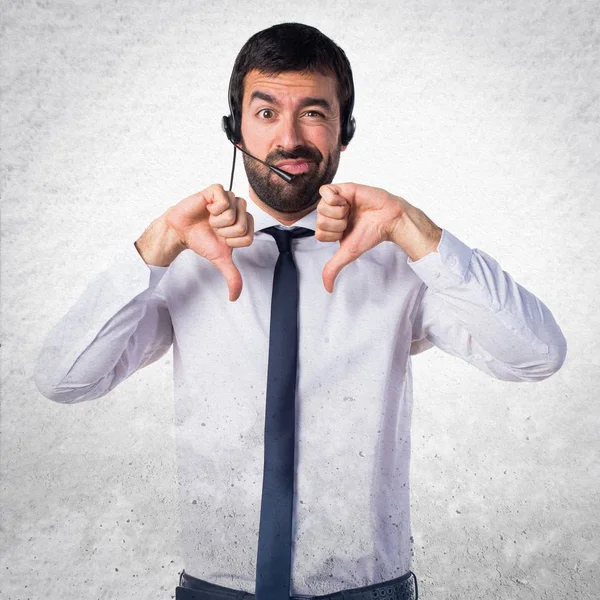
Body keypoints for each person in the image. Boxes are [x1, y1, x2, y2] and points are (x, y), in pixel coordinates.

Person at [34, 22, 567, 600]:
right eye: (265, 113)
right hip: (215, 590)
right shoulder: (183, 263)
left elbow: (536, 357)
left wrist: (415, 231)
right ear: (234, 130)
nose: (289, 138)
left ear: (346, 131)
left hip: (366, 590)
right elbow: (63, 381)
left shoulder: (399, 265)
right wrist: (156, 244)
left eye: (313, 113)